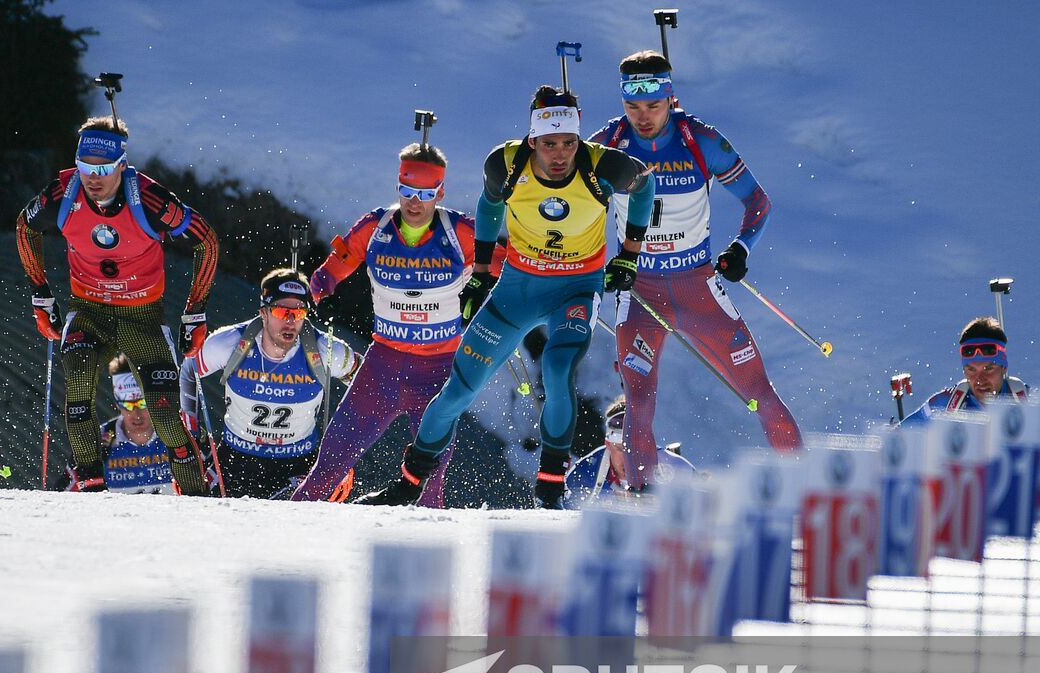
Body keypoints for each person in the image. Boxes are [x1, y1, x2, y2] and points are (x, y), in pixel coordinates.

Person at [359, 84, 654, 508]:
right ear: (533, 139)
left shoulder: (602, 166)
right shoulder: (507, 163)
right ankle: (407, 484)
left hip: (576, 288)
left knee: (557, 368)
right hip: (517, 289)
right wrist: (480, 272)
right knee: (459, 390)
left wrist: (630, 253)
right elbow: (489, 204)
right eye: (549, 144)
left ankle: (550, 488)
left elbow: (645, 186)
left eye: (568, 144)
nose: (559, 155)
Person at [589, 50, 801, 490]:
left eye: (653, 105)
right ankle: (642, 508)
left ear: (671, 97)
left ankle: (809, 498)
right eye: (633, 106)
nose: (643, 117)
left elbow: (757, 201)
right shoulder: (607, 146)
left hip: (698, 287)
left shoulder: (698, 139)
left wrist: (741, 248)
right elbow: (575, 211)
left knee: (760, 394)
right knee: (639, 404)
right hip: (641, 293)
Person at [16, 115, 218, 494]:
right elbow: (25, 227)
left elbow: (205, 240)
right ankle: (92, 490)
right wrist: (40, 293)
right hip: (89, 310)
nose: (94, 178)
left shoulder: (149, 199)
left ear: (122, 165)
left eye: (105, 168)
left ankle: (196, 498)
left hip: (141, 316)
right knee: (77, 386)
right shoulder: (64, 193)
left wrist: (196, 310)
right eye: (85, 167)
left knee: (164, 415)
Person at [290, 140, 499, 507]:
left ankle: (428, 556)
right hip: (382, 365)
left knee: (429, 485)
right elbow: (340, 260)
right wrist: (317, 290)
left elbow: (513, 265)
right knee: (327, 467)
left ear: (440, 192)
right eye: (407, 191)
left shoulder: (460, 233)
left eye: (425, 193)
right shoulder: (376, 226)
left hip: (437, 372)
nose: (414, 202)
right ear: (397, 187)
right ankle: (276, 536)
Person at [182, 269, 360, 499]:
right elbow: (189, 370)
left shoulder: (326, 350)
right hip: (236, 461)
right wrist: (193, 441)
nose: (290, 321)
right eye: (281, 311)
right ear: (263, 313)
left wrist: (341, 457)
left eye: (298, 313)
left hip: (298, 464)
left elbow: (368, 386)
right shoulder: (231, 343)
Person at [57, 356, 174, 493]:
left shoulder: (175, 434)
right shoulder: (98, 443)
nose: (136, 414)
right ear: (117, 403)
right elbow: (63, 496)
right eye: (127, 405)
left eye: (142, 404)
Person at [566, 395, 694, 503]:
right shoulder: (586, 471)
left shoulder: (675, 467)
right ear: (608, 444)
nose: (629, 458)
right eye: (621, 449)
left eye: (636, 449)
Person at [902, 317, 1028, 424]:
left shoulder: (1027, 401)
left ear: (1004, 367)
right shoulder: (946, 404)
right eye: (972, 370)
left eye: (988, 369)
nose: (980, 379)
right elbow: (898, 437)